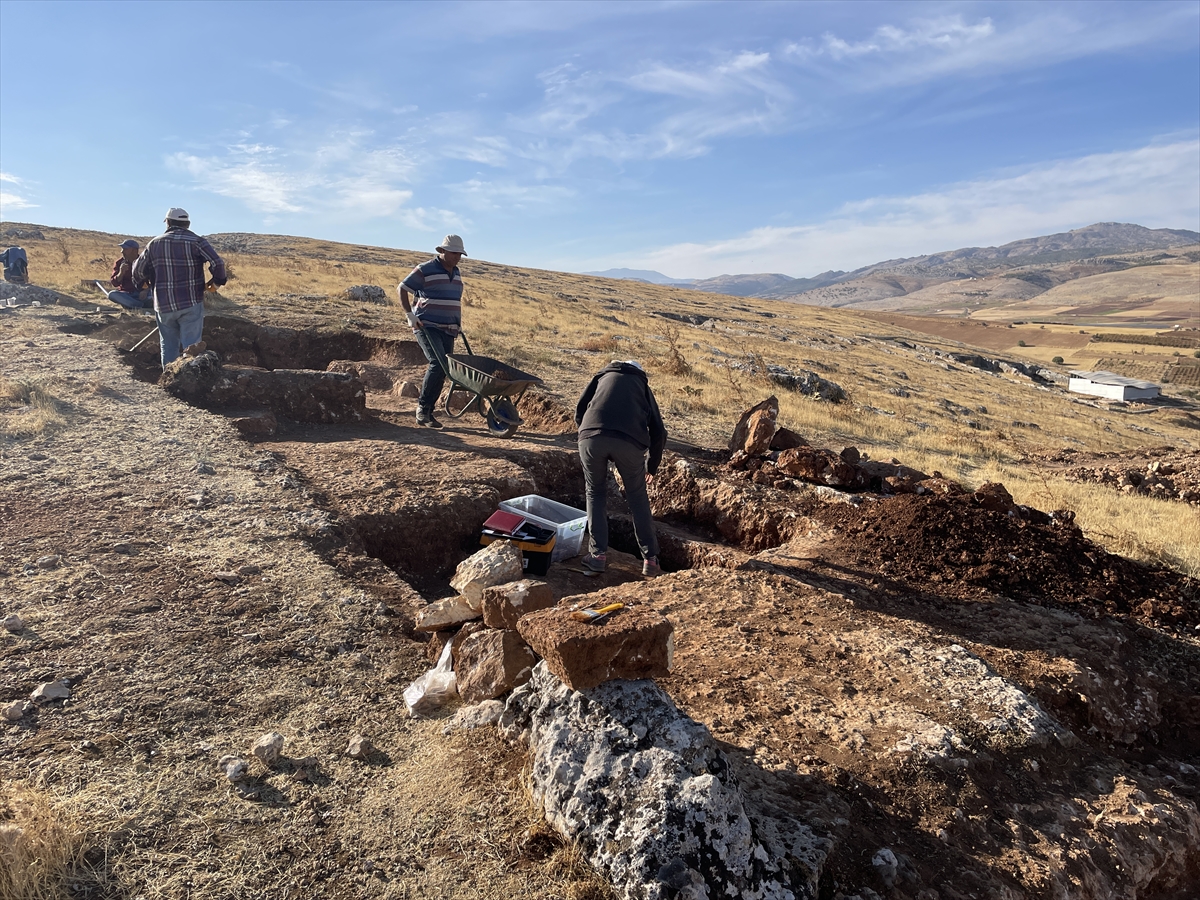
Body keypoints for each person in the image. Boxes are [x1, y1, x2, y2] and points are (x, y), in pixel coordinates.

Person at [575, 360, 667, 577]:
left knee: (595, 492)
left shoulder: (602, 376)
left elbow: (580, 409)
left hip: (591, 437)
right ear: (639, 372)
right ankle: (650, 561)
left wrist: (587, 435)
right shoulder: (642, 386)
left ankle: (597, 557)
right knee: (637, 497)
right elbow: (659, 432)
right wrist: (651, 466)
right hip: (629, 442)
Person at [133, 208, 226, 369]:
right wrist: (216, 283)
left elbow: (138, 270)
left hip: (163, 304)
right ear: (187, 224)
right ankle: (190, 380)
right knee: (192, 346)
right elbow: (218, 263)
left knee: (168, 345)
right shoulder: (197, 241)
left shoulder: (154, 243)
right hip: (191, 301)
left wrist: (142, 282)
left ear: (168, 223)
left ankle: (169, 380)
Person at [397, 234, 466, 428]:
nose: (457, 257)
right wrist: (410, 315)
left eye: (460, 254)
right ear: (442, 251)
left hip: (449, 329)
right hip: (426, 325)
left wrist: (456, 321)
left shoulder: (457, 272)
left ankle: (429, 412)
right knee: (438, 362)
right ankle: (422, 409)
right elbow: (402, 288)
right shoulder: (425, 269)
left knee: (444, 369)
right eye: (454, 253)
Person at [98, 239, 153, 309]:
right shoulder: (119, 263)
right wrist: (121, 272)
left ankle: (132, 305)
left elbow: (153, 280)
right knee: (112, 295)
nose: (122, 251)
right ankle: (141, 306)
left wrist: (145, 290)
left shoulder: (144, 262)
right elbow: (115, 283)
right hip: (126, 294)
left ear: (134, 250)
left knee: (155, 294)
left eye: (125, 249)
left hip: (143, 293)